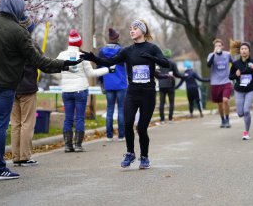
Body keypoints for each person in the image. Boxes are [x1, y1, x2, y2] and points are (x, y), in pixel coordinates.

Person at [0, 0, 81, 181]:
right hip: (5, 85)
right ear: (17, 8)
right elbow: (39, 61)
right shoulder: (18, 31)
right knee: (0, 124)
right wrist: (65, 65)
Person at [80, 19, 169, 169]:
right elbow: (109, 62)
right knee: (127, 123)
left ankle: (144, 157)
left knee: (141, 128)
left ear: (143, 31)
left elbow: (166, 63)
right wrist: (93, 58)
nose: (131, 31)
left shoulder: (152, 48)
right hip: (132, 93)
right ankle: (130, 153)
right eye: (130, 29)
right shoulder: (127, 51)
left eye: (134, 28)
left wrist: (152, 58)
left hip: (148, 93)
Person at [57, 29, 112, 152]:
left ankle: (67, 145)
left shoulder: (61, 55)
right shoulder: (82, 56)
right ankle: (78, 145)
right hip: (80, 90)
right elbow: (91, 73)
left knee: (68, 118)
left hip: (66, 90)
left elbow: (56, 69)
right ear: (79, 43)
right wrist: (107, 70)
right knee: (80, 118)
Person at [10, 15, 40, 167]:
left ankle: (15, 156)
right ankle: (25, 156)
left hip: (12, 88)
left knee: (15, 123)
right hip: (28, 88)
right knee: (27, 123)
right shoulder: (31, 45)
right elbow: (41, 61)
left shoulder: (11, 43)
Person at [98, 28, 128, 142]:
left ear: (109, 38)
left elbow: (99, 68)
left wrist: (102, 82)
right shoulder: (122, 50)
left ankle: (109, 136)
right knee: (121, 109)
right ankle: (121, 135)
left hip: (108, 84)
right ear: (117, 38)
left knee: (109, 110)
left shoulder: (101, 51)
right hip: (120, 84)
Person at [229, 42, 253, 140]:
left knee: (246, 111)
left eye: (245, 49)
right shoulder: (235, 64)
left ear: (249, 51)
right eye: (242, 49)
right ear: (240, 51)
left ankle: (246, 132)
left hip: (250, 90)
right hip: (239, 90)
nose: (243, 50)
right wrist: (236, 75)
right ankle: (244, 115)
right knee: (240, 113)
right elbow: (230, 77)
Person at [207, 39, 233, 128]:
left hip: (226, 81)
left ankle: (228, 119)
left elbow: (233, 63)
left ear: (222, 47)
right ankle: (223, 120)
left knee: (225, 100)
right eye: (216, 46)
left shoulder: (227, 54)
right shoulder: (211, 55)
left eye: (219, 45)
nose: (218, 47)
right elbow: (208, 65)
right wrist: (214, 54)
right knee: (219, 103)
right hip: (215, 82)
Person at [158, 49, 183, 124]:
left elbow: (157, 73)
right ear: (170, 54)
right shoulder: (172, 62)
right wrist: (183, 76)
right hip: (170, 84)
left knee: (161, 103)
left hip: (161, 85)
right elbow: (177, 74)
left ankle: (162, 119)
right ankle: (170, 118)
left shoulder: (159, 63)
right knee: (171, 102)